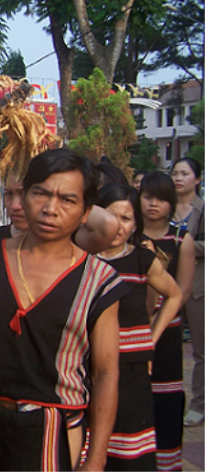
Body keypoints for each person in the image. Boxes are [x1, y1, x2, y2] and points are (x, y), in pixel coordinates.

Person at [0, 148, 128, 471]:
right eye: (41, 193)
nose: (50, 209)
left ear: (86, 211)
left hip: (55, 432)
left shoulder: (99, 281)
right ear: (24, 196)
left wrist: (96, 459)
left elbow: (105, 373)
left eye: (68, 200)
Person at [96, 183, 182, 470]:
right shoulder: (80, 258)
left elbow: (175, 295)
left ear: (135, 224)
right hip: (88, 368)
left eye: (126, 218)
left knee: (129, 450)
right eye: (111, 215)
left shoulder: (142, 260)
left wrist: (150, 339)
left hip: (132, 369)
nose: (118, 226)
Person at [140, 171, 195, 471]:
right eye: (148, 197)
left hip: (168, 329)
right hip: (134, 324)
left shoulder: (179, 239)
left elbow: (183, 290)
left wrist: (158, 323)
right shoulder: (132, 236)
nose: (153, 204)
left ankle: (168, 461)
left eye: (161, 199)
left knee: (166, 396)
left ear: (171, 203)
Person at [171, 158, 204, 427]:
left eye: (185, 173)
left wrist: (184, 246)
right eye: (175, 173)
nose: (178, 178)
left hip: (196, 286)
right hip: (164, 283)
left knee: (201, 351)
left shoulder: (201, 209)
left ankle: (199, 404)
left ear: (197, 179)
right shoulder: (164, 207)